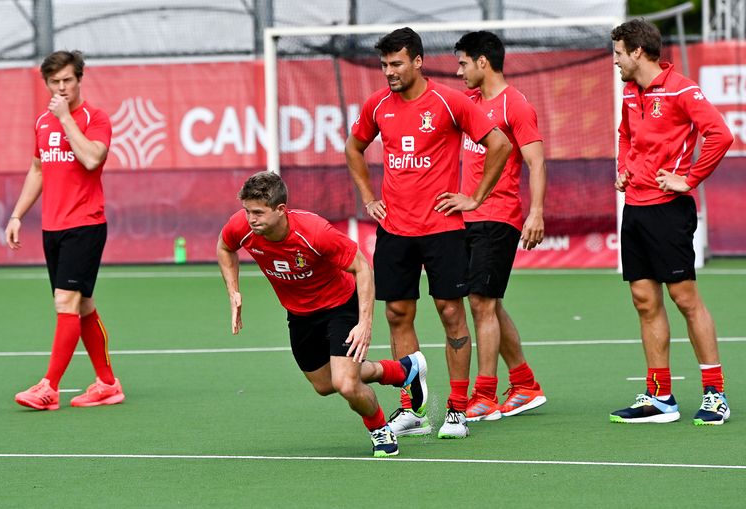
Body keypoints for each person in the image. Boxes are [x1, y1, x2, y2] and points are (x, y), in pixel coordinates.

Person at [345, 27, 512, 439]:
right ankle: (412, 410)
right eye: (384, 65)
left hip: (443, 229)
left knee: (451, 312)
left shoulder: (449, 101)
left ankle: (456, 409)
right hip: (394, 229)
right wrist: (368, 197)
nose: (389, 71)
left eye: (396, 63)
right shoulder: (377, 105)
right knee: (397, 314)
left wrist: (475, 197)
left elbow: (500, 144)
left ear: (418, 61)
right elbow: (353, 147)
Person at [216, 171, 429, 457]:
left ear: (281, 210)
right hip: (300, 314)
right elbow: (225, 247)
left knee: (346, 384)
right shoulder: (241, 227)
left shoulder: (314, 232)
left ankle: (380, 430)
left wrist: (365, 323)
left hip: (340, 305)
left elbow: (362, 268)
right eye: (247, 211)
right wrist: (234, 291)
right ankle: (403, 370)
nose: (250, 219)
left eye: (258, 212)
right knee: (325, 385)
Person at [609, 20, 734, 425]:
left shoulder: (682, 89)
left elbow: (720, 135)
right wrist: (624, 168)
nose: (615, 61)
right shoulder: (630, 92)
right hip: (635, 207)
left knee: (685, 299)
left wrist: (689, 179)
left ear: (638, 52)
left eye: (619, 53)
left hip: (669, 209)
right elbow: (625, 134)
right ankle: (660, 397)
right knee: (644, 301)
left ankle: (715, 394)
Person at [6, 50, 124, 411]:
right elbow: (38, 170)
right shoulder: (42, 122)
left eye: (68, 80)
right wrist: (17, 215)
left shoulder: (95, 118)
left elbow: (91, 158)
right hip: (53, 227)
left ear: (79, 80)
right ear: (46, 83)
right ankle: (108, 384)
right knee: (82, 305)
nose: (61, 88)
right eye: (54, 82)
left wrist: (65, 119)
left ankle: (49, 387)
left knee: (65, 302)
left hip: (85, 225)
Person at [446, 31, 547, 422]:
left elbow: (536, 162)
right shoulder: (469, 103)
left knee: (481, 303)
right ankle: (525, 384)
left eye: (463, 63)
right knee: (488, 303)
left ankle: (485, 395)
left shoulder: (515, 105)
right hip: (466, 217)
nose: (459, 72)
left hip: (498, 216)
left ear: (482, 62)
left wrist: (536, 212)